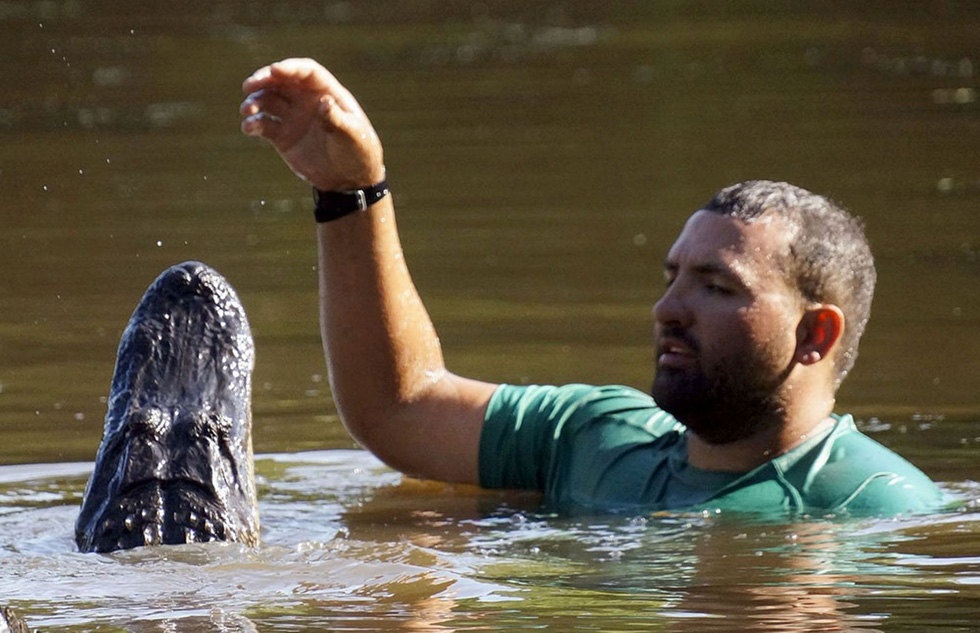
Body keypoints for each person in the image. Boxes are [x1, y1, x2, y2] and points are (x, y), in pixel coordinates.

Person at [240, 58, 942, 517]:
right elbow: (400, 406)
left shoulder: (879, 505)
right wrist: (351, 189)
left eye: (717, 288)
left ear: (815, 334)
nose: (668, 310)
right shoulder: (594, 437)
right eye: (672, 279)